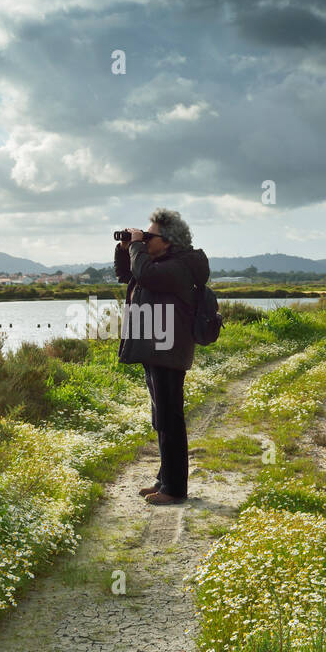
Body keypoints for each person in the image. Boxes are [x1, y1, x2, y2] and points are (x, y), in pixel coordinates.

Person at [114, 208, 210, 505]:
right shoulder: (161, 261)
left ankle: (175, 489)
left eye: (149, 235)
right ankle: (164, 479)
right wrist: (125, 248)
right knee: (161, 417)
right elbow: (125, 274)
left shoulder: (179, 267)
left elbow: (145, 275)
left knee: (171, 419)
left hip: (169, 350)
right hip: (156, 349)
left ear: (168, 241)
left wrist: (138, 247)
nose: (143, 239)